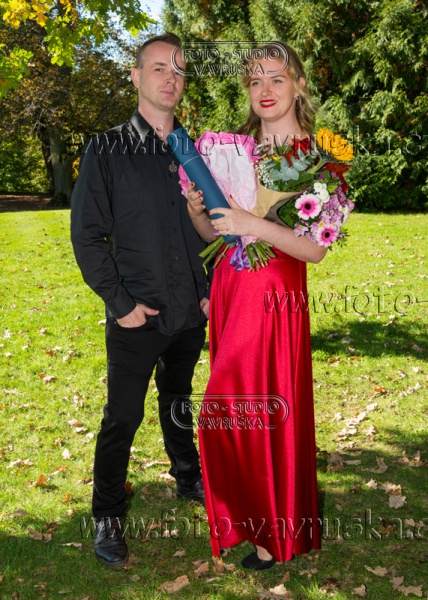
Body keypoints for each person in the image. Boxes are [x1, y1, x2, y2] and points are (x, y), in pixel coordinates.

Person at [70, 33, 209, 568]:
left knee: (179, 398)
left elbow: (213, 228)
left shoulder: (195, 150)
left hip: (189, 310)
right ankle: (107, 515)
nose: (170, 78)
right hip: (137, 313)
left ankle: (188, 476)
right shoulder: (106, 149)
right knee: (122, 418)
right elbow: (87, 236)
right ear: (135, 76)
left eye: (178, 70)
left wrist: (208, 291)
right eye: (158, 68)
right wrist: (120, 303)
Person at [187, 42, 325, 569]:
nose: (265, 91)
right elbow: (216, 234)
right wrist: (198, 210)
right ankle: (246, 517)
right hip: (230, 285)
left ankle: (274, 528)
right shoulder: (233, 149)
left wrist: (253, 224)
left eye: (276, 79)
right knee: (233, 411)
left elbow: (314, 249)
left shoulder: (320, 157)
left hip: (274, 295)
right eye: (255, 81)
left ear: (298, 85)